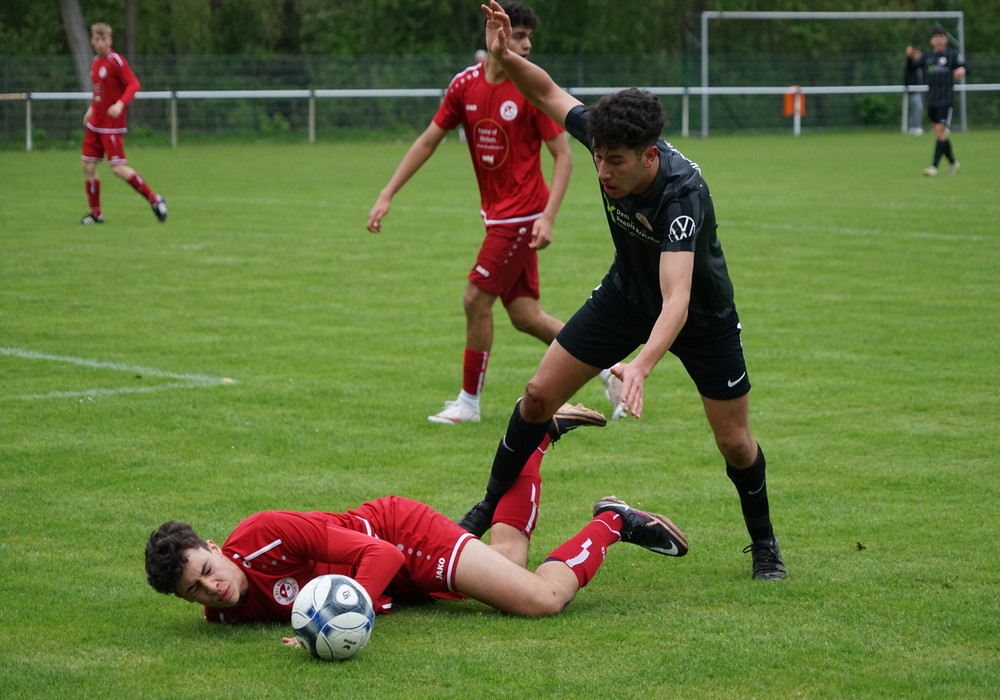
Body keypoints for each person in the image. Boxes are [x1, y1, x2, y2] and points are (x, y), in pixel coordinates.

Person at [456, 2, 787, 582]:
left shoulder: (680, 193)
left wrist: (641, 365)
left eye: (615, 162)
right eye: (598, 158)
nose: (603, 172)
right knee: (536, 396)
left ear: (649, 156)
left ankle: (764, 545)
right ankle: (486, 506)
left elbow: (678, 298)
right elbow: (548, 92)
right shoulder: (604, 137)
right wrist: (504, 55)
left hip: (701, 317)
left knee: (735, 443)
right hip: (626, 296)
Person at [144, 410, 688, 630]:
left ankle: (611, 521)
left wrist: (338, 619)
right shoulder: (222, 614)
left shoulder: (266, 534)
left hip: (399, 537)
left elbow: (379, 554)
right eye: (195, 591)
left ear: (215, 546)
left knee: (538, 599)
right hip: (394, 583)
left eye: (207, 570)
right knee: (508, 559)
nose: (212, 589)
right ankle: (534, 441)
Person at [366, 2, 624, 425]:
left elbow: (563, 156)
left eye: (527, 37)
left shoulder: (531, 91)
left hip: (522, 216)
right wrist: (387, 192)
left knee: (475, 299)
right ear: (493, 36)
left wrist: (547, 217)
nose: (525, 45)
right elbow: (429, 140)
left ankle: (468, 403)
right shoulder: (464, 85)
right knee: (525, 316)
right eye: (517, 35)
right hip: (497, 215)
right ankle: (610, 370)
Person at [80, 22, 167, 225]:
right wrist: (91, 109)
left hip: (111, 125)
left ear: (110, 41)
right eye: (97, 39)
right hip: (96, 124)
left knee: (118, 168)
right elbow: (99, 92)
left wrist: (120, 104)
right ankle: (95, 214)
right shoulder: (95, 63)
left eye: (104, 39)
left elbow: (133, 84)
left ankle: (155, 199)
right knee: (87, 165)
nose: (100, 43)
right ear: (92, 41)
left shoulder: (116, 61)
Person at [906, 24, 968, 176]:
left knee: (940, 133)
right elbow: (912, 67)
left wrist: (963, 69)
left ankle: (934, 167)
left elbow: (967, 66)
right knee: (940, 136)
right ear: (931, 40)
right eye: (936, 37)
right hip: (931, 101)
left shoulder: (952, 55)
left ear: (946, 40)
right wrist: (909, 57)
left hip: (945, 101)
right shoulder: (927, 56)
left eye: (941, 37)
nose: (938, 40)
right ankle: (953, 162)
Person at [903, 49, 923, 136]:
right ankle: (915, 126)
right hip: (913, 90)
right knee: (918, 107)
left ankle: (912, 127)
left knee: (915, 108)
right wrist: (909, 55)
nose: (918, 56)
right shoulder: (911, 64)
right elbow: (909, 62)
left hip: (921, 89)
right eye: (916, 54)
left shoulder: (921, 65)